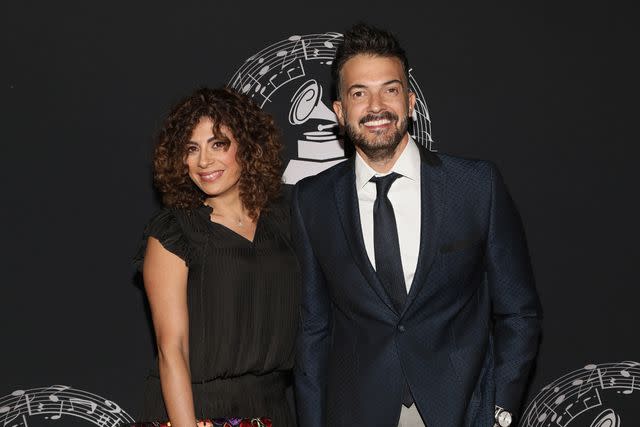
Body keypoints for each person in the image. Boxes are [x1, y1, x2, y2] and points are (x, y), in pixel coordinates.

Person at [291, 23, 542, 427]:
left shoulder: (475, 186)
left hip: (462, 409)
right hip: (356, 411)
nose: (376, 106)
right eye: (359, 93)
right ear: (339, 111)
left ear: (409, 101)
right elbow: (313, 330)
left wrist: (500, 408)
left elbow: (519, 312)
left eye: (390, 89)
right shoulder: (311, 200)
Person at [135, 87, 299, 427]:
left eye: (217, 144)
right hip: (196, 411)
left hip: (274, 408)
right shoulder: (173, 231)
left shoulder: (287, 219)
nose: (204, 161)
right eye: (191, 149)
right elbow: (172, 349)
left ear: (247, 146)